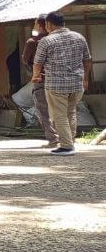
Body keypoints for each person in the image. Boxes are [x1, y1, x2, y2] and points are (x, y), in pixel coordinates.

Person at [32, 10, 92, 155]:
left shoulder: (46, 41)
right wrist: (85, 78)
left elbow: (38, 63)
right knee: (70, 113)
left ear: (49, 24)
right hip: (77, 84)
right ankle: (70, 141)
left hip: (56, 84)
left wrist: (36, 76)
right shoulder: (79, 37)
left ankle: (66, 146)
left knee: (59, 116)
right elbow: (87, 59)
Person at [22, 15, 57, 147]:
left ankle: (53, 139)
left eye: (36, 24)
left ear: (41, 26)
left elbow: (25, 60)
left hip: (41, 79)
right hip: (58, 80)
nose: (34, 26)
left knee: (43, 111)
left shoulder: (33, 42)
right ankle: (67, 137)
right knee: (60, 110)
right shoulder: (56, 41)